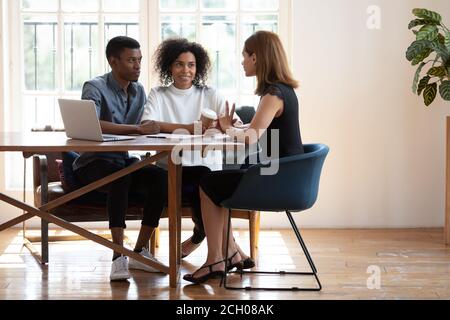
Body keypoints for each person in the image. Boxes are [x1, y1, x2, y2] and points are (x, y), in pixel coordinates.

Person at [183, 31, 304, 284]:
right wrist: (230, 126)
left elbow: (251, 137)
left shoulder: (273, 95)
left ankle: (217, 259)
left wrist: (228, 128)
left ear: (256, 57)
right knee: (215, 182)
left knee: (208, 184)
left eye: (244, 56)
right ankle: (228, 255)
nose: (242, 62)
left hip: (278, 180)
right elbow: (255, 129)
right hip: (287, 176)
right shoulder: (283, 91)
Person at [72, 36, 168, 282]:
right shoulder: (94, 86)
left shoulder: (139, 90)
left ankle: (138, 252)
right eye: (131, 61)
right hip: (92, 164)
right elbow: (91, 123)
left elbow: (144, 124)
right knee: (121, 177)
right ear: (113, 62)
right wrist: (136, 130)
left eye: (139, 60)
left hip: (122, 161)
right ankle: (118, 257)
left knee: (161, 177)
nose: (137, 66)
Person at [141, 38, 242, 258]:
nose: (185, 70)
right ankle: (231, 251)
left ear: (198, 68)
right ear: (169, 66)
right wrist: (192, 127)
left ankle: (214, 244)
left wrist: (226, 125)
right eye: (179, 64)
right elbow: (148, 125)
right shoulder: (159, 94)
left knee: (205, 177)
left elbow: (236, 124)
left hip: (208, 169)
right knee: (202, 178)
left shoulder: (210, 94)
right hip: (171, 169)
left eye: (191, 65)